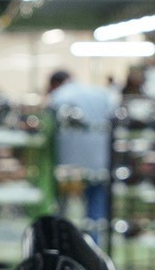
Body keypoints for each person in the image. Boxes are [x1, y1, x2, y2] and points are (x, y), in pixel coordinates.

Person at [43, 69, 114, 227]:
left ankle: (64, 237)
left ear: (54, 84)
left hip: (68, 166)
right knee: (95, 211)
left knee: (64, 210)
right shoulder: (101, 94)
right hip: (99, 161)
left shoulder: (59, 96)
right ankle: (93, 239)